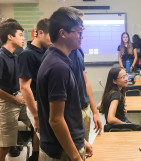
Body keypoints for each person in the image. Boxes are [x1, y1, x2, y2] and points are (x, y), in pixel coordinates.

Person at [36, 7, 92, 160]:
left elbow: (67, 112)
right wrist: (75, 155)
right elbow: (56, 120)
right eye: (78, 32)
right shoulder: (58, 67)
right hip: (62, 152)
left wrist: (81, 140)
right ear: (62, 33)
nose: (81, 36)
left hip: (65, 145)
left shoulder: (56, 59)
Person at [66, 7, 102, 142]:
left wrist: (94, 112)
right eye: (79, 26)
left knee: (84, 151)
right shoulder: (58, 56)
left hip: (84, 109)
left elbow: (85, 82)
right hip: (71, 114)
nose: (82, 29)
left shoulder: (78, 50)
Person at [18, 18, 52, 161]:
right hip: (37, 104)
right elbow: (25, 87)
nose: (53, 39)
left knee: (41, 140)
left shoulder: (46, 51)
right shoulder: (27, 54)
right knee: (47, 143)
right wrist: (36, 116)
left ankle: (35, 155)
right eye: (51, 35)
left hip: (47, 102)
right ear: (40, 33)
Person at [0, 20, 31, 161]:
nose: (23, 38)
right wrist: (14, 99)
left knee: (39, 124)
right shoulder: (1, 57)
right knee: (6, 146)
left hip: (18, 98)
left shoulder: (15, 55)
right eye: (20, 35)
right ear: (10, 37)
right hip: (7, 102)